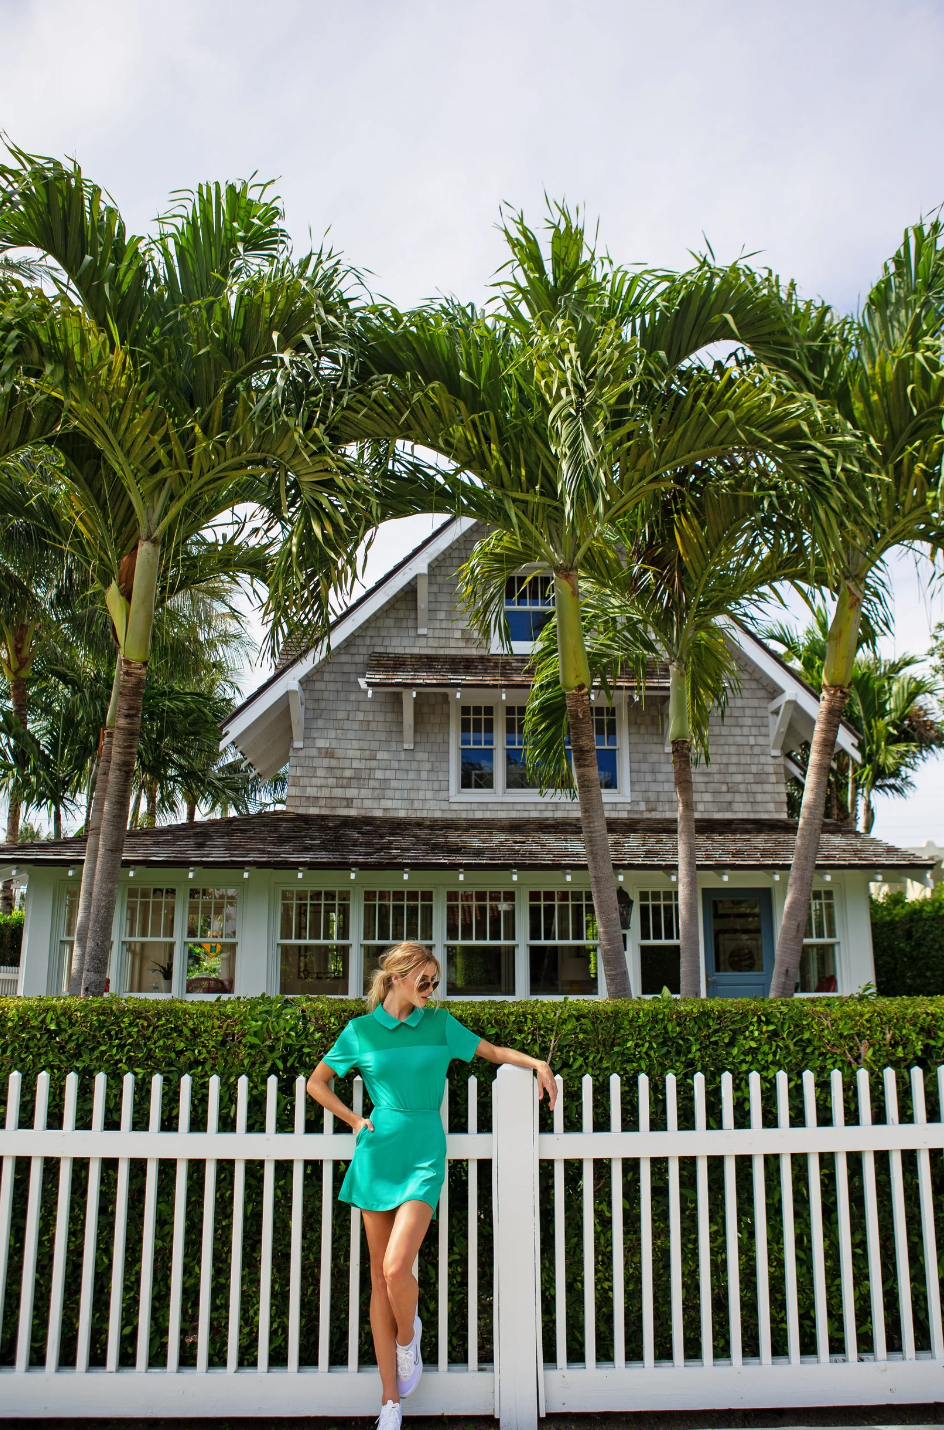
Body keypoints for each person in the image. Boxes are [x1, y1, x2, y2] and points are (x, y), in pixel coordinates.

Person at [307, 941, 557, 1430]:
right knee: (379, 1280)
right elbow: (317, 1083)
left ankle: (407, 1341)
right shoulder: (359, 1032)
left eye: (435, 981)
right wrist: (355, 1119)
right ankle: (389, 1402)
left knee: (397, 1268)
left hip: (424, 1153)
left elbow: (492, 1051)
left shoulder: (441, 1025)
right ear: (398, 976)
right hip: (377, 1155)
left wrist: (537, 1064)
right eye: (424, 979)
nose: (431, 988)